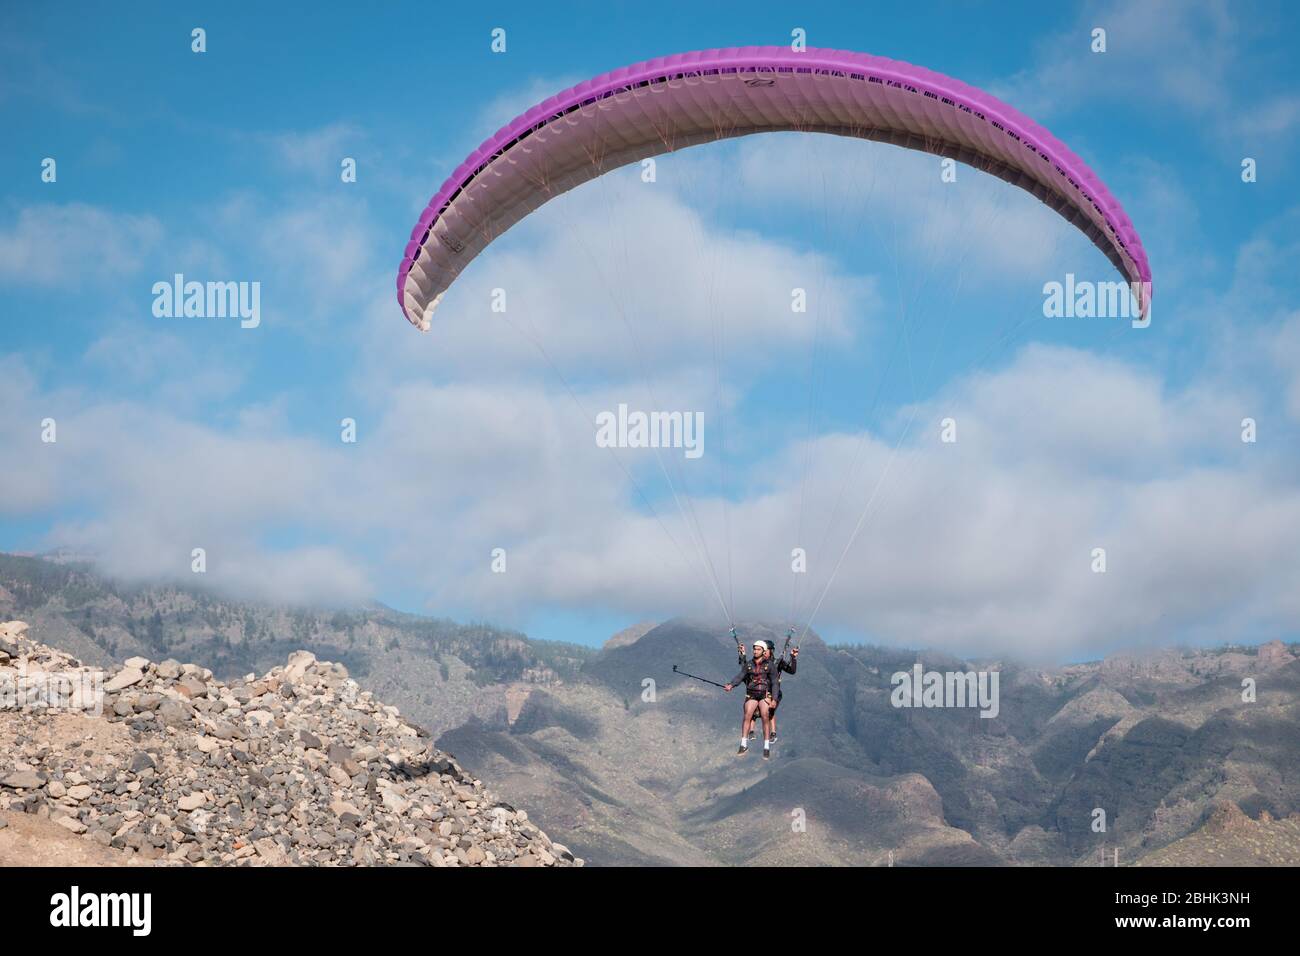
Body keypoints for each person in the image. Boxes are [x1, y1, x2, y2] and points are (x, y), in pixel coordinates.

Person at [724, 640, 778, 759]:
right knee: (747, 714)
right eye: (754, 649)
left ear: (764, 652)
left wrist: (774, 699)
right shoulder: (748, 664)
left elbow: (774, 683)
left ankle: (766, 746)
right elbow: (740, 676)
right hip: (752, 694)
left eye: (758, 649)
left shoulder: (770, 665)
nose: (755, 651)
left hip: (764, 694)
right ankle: (743, 744)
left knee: (765, 716)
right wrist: (731, 685)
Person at [767, 642, 798, 743]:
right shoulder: (757, 663)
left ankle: (773, 733)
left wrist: (793, 657)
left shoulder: (778, 662)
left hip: (774, 692)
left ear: (770, 651)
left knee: (770, 711)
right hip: (760, 691)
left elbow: (792, 671)